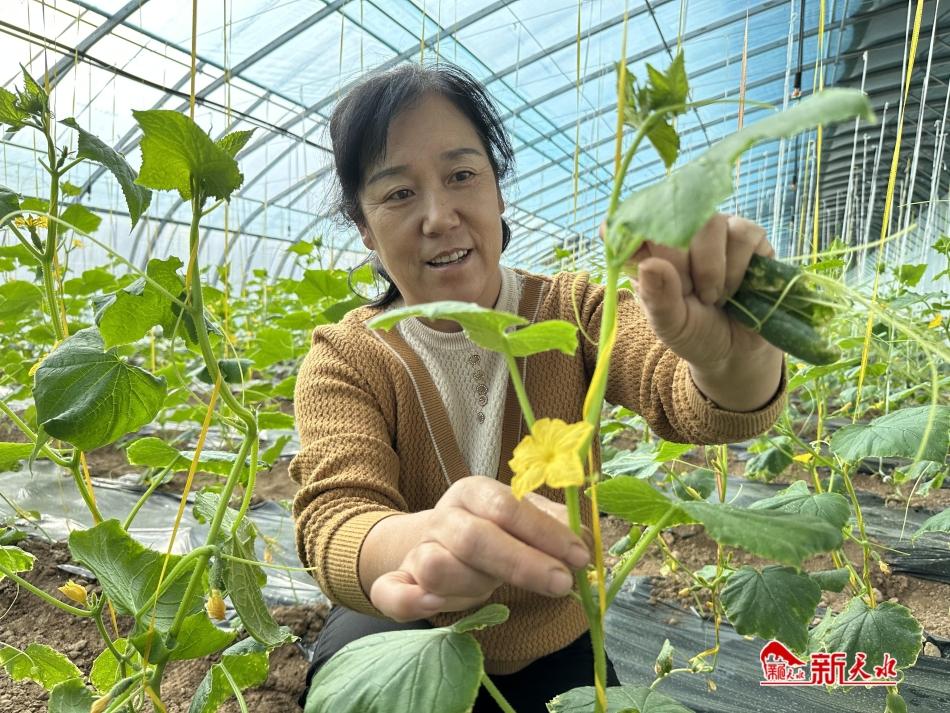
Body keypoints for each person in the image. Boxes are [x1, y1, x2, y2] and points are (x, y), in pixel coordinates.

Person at [289, 62, 786, 712]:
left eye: (462, 175)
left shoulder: (574, 309)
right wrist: (416, 546)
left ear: (498, 193)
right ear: (364, 227)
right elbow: (335, 518)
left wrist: (732, 360)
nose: (439, 216)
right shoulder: (345, 356)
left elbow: (685, 393)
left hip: (556, 624)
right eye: (399, 193)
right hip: (404, 630)